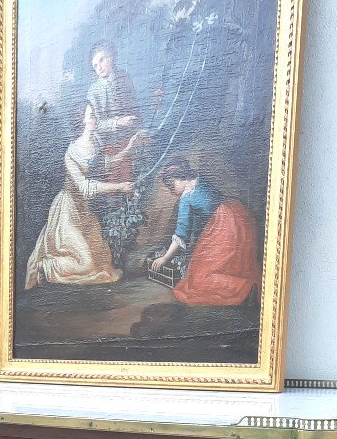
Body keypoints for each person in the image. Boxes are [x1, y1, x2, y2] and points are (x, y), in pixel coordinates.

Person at [25, 103, 144, 289]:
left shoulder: (96, 140)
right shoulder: (71, 153)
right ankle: (45, 266)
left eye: (94, 114)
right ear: (81, 121)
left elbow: (106, 164)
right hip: (67, 210)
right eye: (91, 115)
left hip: (83, 209)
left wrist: (129, 147)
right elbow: (85, 187)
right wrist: (120, 186)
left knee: (103, 261)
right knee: (86, 264)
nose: (95, 118)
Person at [151, 157, 261, 307]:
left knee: (198, 278)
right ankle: (246, 286)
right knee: (232, 265)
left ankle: (245, 288)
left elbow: (181, 232)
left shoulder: (185, 199)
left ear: (180, 177)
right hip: (239, 215)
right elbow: (202, 215)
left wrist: (165, 258)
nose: (171, 191)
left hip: (224, 225)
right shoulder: (199, 179)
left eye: (171, 185)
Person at [87, 40, 140, 184]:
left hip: (130, 136)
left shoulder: (125, 77)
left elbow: (134, 105)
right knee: (116, 180)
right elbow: (94, 124)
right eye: (95, 66)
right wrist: (118, 122)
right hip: (109, 144)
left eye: (101, 60)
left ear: (111, 56)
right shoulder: (93, 91)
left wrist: (137, 126)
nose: (99, 67)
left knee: (133, 176)